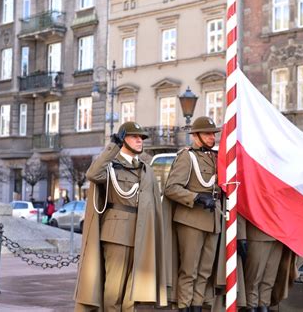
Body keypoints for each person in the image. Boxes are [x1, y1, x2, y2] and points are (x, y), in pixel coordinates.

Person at [74, 121, 167, 312]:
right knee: (113, 292)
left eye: (141, 137)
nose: (140, 140)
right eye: (135, 136)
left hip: (142, 233)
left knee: (132, 293)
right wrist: (113, 147)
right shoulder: (111, 166)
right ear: (123, 139)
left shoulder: (146, 169)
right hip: (116, 233)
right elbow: (92, 174)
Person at [163, 116, 226, 311]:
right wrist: (196, 197)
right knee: (189, 270)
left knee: (205, 271)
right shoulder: (186, 156)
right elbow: (171, 188)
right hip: (191, 219)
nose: (211, 137)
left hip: (213, 218)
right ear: (196, 135)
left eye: (213, 134)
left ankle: (197, 306)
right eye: (207, 134)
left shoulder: (216, 157)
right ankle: (184, 306)